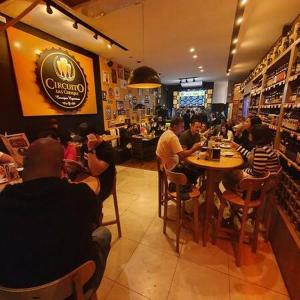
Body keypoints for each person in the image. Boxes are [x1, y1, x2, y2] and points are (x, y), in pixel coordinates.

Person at [0, 138, 111, 291]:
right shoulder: (80, 194)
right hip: (72, 287)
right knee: (103, 234)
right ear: (62, 167)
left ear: (24, 167)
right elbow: (97, 222)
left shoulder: (4, 199)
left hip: (14, 292)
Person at [156, 117, 202, 183]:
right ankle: (180, 188)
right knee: (196, 173)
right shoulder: (172, 137)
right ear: (175, 127)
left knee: (193, 170)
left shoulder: (167, 133)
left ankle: (183, 187)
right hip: (171, 169)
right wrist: (194, 148)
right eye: (182, 127)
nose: (183, 129)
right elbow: (182, 155)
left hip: (165, 165)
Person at [81, 127, 116, 203]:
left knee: (85, 200)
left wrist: (91, 149)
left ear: (94, 137)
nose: (84, 143)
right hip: (88, 180)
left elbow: (95, 172)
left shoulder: (107, 150)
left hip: (103, 184)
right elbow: (85, 164)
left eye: (85, 141)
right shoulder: (84, 146)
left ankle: (96, 214)